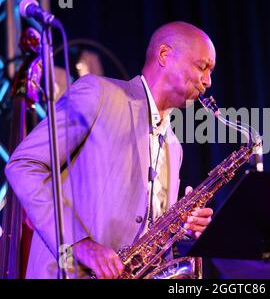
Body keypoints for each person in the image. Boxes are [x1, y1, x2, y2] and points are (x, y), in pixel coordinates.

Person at [5, 21, 216, 279]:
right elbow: (23, 165)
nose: (208, 81)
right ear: (164, 54)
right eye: (202, 67)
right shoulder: (98, 94)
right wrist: (79, 244)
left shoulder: (174, 146)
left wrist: (180, 228)